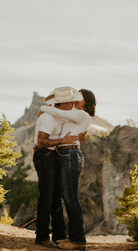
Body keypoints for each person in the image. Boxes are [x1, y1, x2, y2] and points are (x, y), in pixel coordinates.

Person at [40, 88, 96, 250]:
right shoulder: (76, 115)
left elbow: (61, 114)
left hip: (70, 155)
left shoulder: (82, 114)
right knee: (67, 198)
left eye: (80, 96)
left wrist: (43, 107)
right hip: (65, 153)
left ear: (87, 101)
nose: (76, 98)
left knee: (71, 199)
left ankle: (78, 241)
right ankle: (73, 238)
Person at [33, 87, 84, 248]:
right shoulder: (49, 118)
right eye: (71, 101)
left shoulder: (57, 115)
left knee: (56, 198)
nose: (73, 104)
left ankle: (59, 235)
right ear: (62, 103)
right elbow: (41, 142)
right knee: (47, 198)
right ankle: (41, 236)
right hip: (45, 156)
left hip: (52, 156)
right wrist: (63, 141)